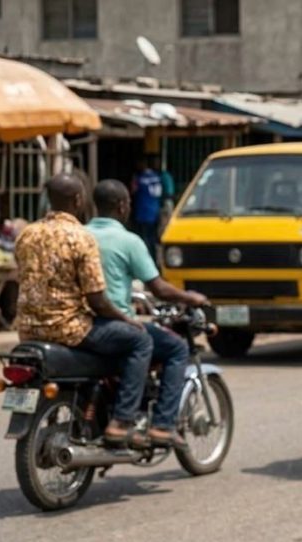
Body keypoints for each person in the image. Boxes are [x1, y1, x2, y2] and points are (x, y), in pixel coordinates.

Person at [12, 174, 153, 447]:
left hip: (28, 329)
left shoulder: (26, 235)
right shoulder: (81, 237)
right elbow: (97, 300)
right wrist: (126, 319)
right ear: (78, 200)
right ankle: (122, 421)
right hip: (69, 328)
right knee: (140, 340)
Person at [87, 179, 209, 448]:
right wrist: (192, 297)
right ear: (122, 206)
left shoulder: (80, 235)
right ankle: (160, 425)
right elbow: (160, 288)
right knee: (175, 348)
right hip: (112, 322)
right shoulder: (129, 240)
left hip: (82, 323)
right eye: (128, 203)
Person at [131, 155, 164, 260]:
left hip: (143, 212)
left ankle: (145, 260)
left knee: (144, 239)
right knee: (153, 238)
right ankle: (154, 260)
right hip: (155, 212)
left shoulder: (140, 178)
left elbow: (133, 191)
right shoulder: (156, 177)